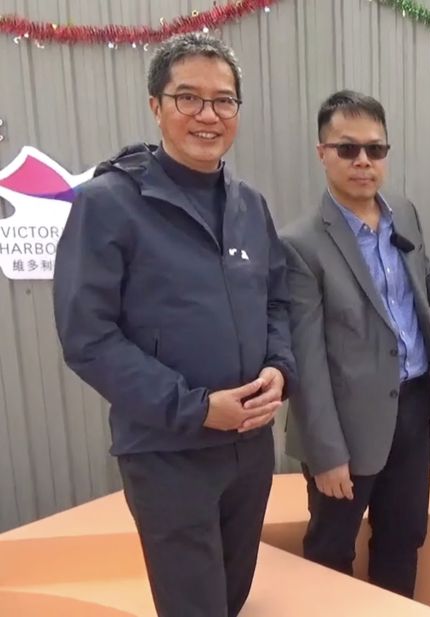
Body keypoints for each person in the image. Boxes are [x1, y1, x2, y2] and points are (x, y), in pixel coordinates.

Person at [52, 33, 296, 617]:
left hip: (249, 449)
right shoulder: (108, 204)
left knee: (232, 596)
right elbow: (88, 337)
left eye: (224, 100)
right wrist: (195, 408)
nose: (208, 115)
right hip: (167, 453)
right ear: (156, 106)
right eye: (188, 97)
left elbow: (277, 300)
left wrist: (279, 367)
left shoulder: (250, 205)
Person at [281, 90, 430, 598]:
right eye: (347, 149)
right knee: (331, 549)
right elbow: (306, 362)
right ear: (322, 153)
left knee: (403, 538)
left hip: (412, 408)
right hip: (346, 427)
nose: (363, 161)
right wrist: (327, 454)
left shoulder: (402, 212)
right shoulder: (300, 245)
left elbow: (426, 282)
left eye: (375, 149)